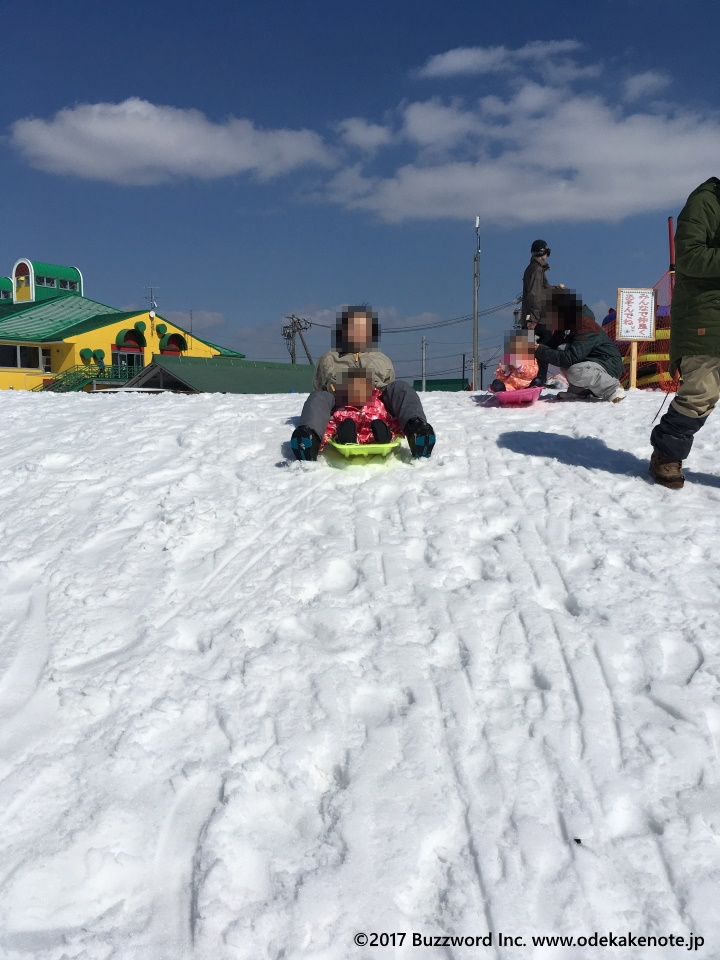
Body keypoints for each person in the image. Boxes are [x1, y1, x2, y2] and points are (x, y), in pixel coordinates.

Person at [291, 305, 436, 460]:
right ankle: (309, 438)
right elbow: (319, 387)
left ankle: (417, 430)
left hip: (376, 407)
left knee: (401, 387)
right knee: (319, 396)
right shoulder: (329, 359)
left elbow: (391, 388)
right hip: (341, 406)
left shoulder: (381, 359)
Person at [649, 177, 720, 489]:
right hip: (708, 315)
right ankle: (667, 454)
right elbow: (689, 256)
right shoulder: (706, 200)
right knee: (700, 393)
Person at [533, 291, 624, 402]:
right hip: (591, 363)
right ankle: (579, 391)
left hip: (608, 364)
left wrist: (540, 350)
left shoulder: (586, 324)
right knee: (562, 349)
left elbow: (570, 358)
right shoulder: (565, 325)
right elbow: (551, 347)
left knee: (575, 371)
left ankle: (612, 388)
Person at [521, 239, 564, 384]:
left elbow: (542, 290)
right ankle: (538, 381)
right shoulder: (537, 269)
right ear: (545, 253)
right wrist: (534, 318)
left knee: (526, 352)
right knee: (545, 347)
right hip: (537, 316)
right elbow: (534, 294)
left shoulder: (532, 268)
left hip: (531, 315)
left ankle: (526, 381)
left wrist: (556, 289)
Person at [322, 369, 401, 446]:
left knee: (378, 424)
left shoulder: (378, 406)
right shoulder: (341, 409)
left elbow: (390, 420)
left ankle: (384, 438)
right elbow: (331, 426)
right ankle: (346, 439)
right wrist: (322, 441)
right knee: (348, 424)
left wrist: (399, 431)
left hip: (374, 439)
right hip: (351, 441)